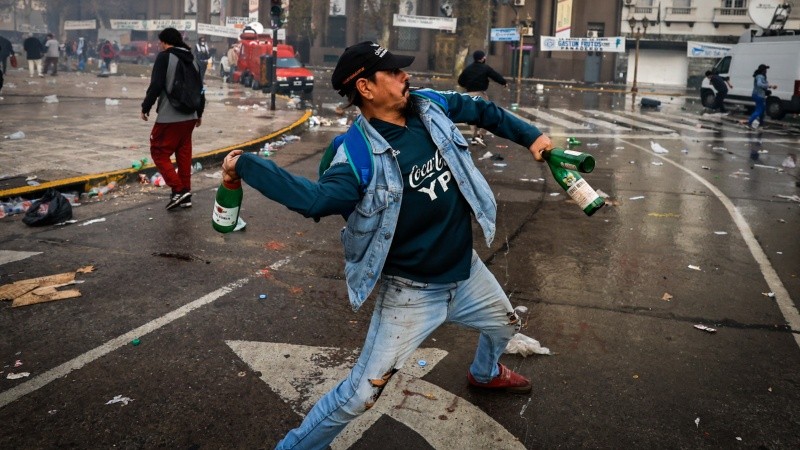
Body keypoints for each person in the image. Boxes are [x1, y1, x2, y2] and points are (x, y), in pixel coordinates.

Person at [221, 41, 553, 449]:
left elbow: (481, 109)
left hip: (465, 271)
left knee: (506, 324)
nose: (404, 77)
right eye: (393, 73)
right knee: (360, 395)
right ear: (365, 87)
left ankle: (484, 373)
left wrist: (531, 136)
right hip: (411, 294)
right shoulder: (355, 153)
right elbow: (316, 199)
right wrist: (246, 165)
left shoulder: (428, 105)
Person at [141, 27, 205, 210]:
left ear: (165, 42)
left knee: (159, 152)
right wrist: (199, 113)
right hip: (190, 116)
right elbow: (201, 90)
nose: (160, 46)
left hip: (170, 116)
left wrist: (146, 107)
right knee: (183, 154)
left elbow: (155, 85)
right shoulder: (193, 60)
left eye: (161, 42)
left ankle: (178, 191)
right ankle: (186, 194)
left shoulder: (165, 57)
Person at [457, 49, 508, 147]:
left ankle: (474, 136)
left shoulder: (468, 68)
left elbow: (460, 81)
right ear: (482, 58)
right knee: (486, 114)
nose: (485, 58)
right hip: (480, 94)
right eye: (484, 57)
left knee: (472, 115)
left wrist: (467, 85)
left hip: (469, 95)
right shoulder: (485, 68)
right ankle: (481, 134)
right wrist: (504, 82)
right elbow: (495, 76)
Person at [744, 64, 777, 130]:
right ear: (763, 70)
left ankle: (761, 124)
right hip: (759, 95)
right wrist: (770, 86)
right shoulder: (760, 76)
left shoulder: (761, 76)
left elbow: (762, 85)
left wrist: (767, 89)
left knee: (762, 110)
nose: (766, 71)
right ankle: (749, 123)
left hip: (759, 95)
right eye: (765, 69)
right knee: (758, 110)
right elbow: (759, 84)